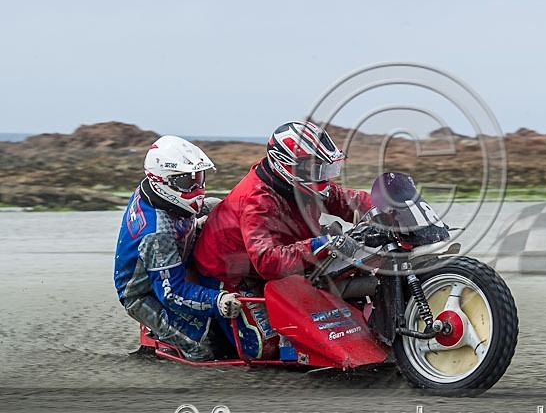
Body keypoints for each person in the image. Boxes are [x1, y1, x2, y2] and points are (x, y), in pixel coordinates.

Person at [193, 120, 373, 358]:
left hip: (279, 257)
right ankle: (214, 331)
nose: (324, 178)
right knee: (267, 349)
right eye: (316, 169)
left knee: (347, 271)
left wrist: (390, 208)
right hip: (233, 276)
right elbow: (268, 262)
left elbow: (344, 200)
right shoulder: (257, 200)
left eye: (325, 168)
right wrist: (320, 244)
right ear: (287, 166)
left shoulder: (304, 185)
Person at [114, 135, 242, 362]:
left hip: (173, 253)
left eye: (199, 179)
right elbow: (171, 293)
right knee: (200, 348)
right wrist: (217, 301)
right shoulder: (157, 234)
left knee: (216, 206)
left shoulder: (152, 189)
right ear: (162, 180)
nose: (197, 188)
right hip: (145, 294)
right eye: (186, 182)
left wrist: (198, 224)